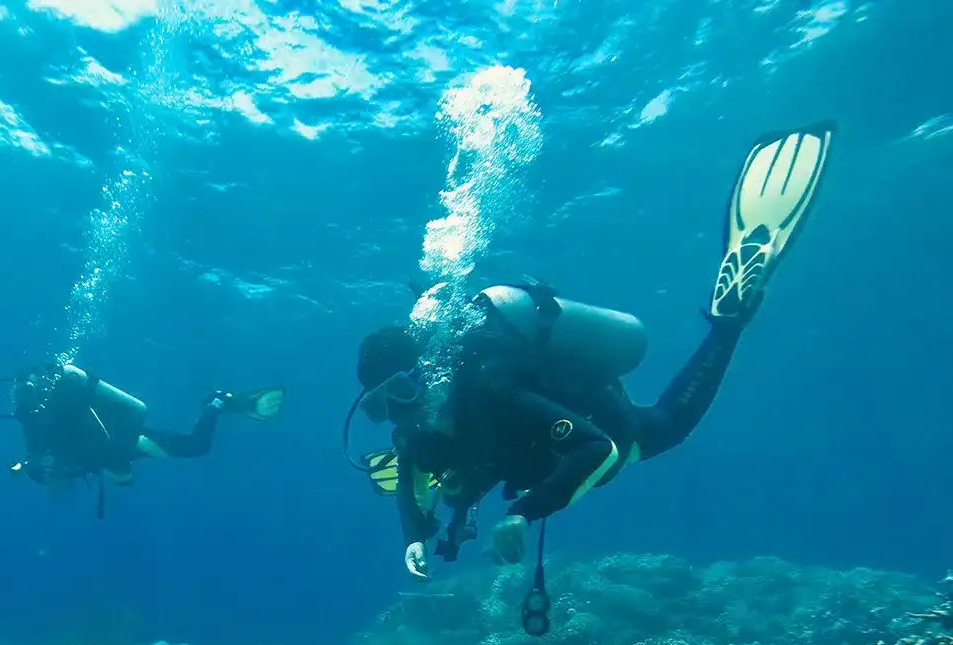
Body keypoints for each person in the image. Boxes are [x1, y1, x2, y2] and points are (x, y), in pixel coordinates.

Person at [348, 120, 836, 582]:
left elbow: (596, 447)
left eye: (402, 391)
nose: (398, 415)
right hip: (530, 443)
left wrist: (524, 513)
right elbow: (412, 473)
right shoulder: (418, 430)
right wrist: (414, 539)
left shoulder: (488, 384)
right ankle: (727, 324)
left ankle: (726, 326)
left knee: (660, 429)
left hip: (595, 418)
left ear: (425, 371)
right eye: (379, 406)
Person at [2, 361, 284, 516]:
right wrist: (36, 471)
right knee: (123, 478)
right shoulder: (31, 424)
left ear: (41, 386)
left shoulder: (68, 394)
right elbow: (41, 462)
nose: (23, 400)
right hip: (105, 459)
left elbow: (137, 409)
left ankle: (218, 403)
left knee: (198, 447)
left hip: (125, 440)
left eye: (27, 391)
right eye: (18, 394)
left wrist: (120, 450)